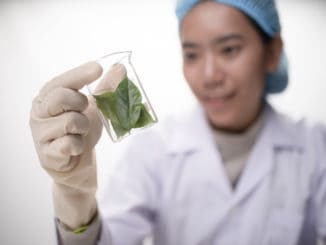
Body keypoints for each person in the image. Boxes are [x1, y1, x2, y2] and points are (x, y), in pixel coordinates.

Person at [29, 0, 326, 244]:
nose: (209, 75)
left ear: (272, 52)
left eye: (229, 49)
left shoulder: (316, 147)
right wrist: (75, 194)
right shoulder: (153, 150)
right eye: (192, 54)